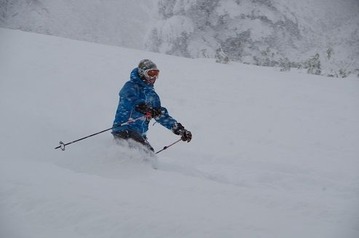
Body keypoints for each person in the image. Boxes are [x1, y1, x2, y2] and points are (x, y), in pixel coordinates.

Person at [112, 59, 192, 152]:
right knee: (148, 155)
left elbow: (161, 115)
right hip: (124, 130)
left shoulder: (152, 95)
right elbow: (129, 100)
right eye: (150, 73)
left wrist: (179, 129)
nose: (153, 77)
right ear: (142, 74)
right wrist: (143, 107)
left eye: (156, 74)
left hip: (139, 135)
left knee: (147, 155)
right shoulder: (131, 86)